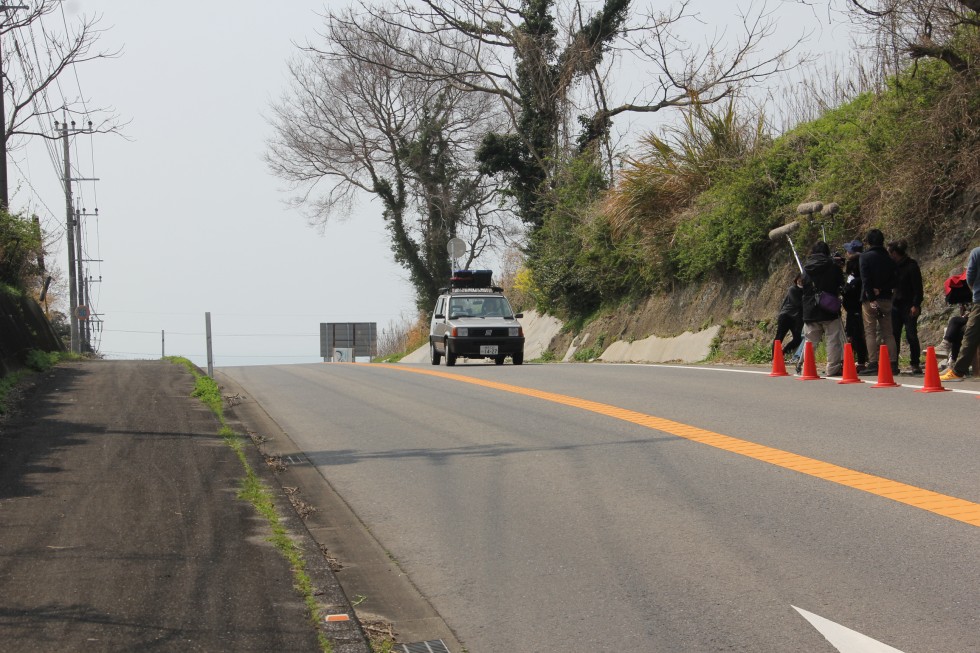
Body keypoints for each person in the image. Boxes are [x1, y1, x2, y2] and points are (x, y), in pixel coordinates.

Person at [801, 241, 845, 376]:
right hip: (829, 307)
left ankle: (805, 367)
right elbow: (841, 285)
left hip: (810, 309)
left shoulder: (806, 269)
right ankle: (832, 368)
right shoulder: (833, 267)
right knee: (832, 340)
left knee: (810, 341)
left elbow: (804, 286)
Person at [858, 228, 899, 376]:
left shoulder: (864, 257)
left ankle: (873, 363)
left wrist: (872, 296)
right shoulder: (889, 258)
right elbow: (895, 279)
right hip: (887, 298)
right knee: (888, 332)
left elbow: (866, 279)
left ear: (869, 241)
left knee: (870, 331)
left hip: (870, 300)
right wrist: (882, 289)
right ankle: (893, 363)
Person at [940, 246, 980, 382]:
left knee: (970, 335)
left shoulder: (977, 252)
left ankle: (958, 371)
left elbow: (970, 277)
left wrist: (975, 290)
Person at [888, 240, 924, 374]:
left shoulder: (911, 266)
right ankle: (894, 363)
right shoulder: (892, 267)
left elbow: (918, 288)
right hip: (895, 305)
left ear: (895, 253)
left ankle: (915, 363)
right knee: (894, 335)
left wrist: (916, 304)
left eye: (890, 252)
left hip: (908, 305)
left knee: (911, 335)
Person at [841, 239, 868, 371]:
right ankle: (854, 359)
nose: (846, 253)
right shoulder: (863, 265)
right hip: (853, 307)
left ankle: (861, 360)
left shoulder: (857, 271)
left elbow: (853, 289)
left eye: (848, 251)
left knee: (856, 334)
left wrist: (846, 290)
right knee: (852, 333)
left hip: (856, 307)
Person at [774, 274, 804, 361]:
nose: (801, 281)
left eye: (803, 279)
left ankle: (783, 353)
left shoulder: (806, 290)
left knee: (798, 338)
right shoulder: (792, 289)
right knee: (779, 337)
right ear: (796, 279)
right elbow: (798, 303)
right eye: (799, 279)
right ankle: (775, 358)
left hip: (796, 318)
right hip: (786, 316)